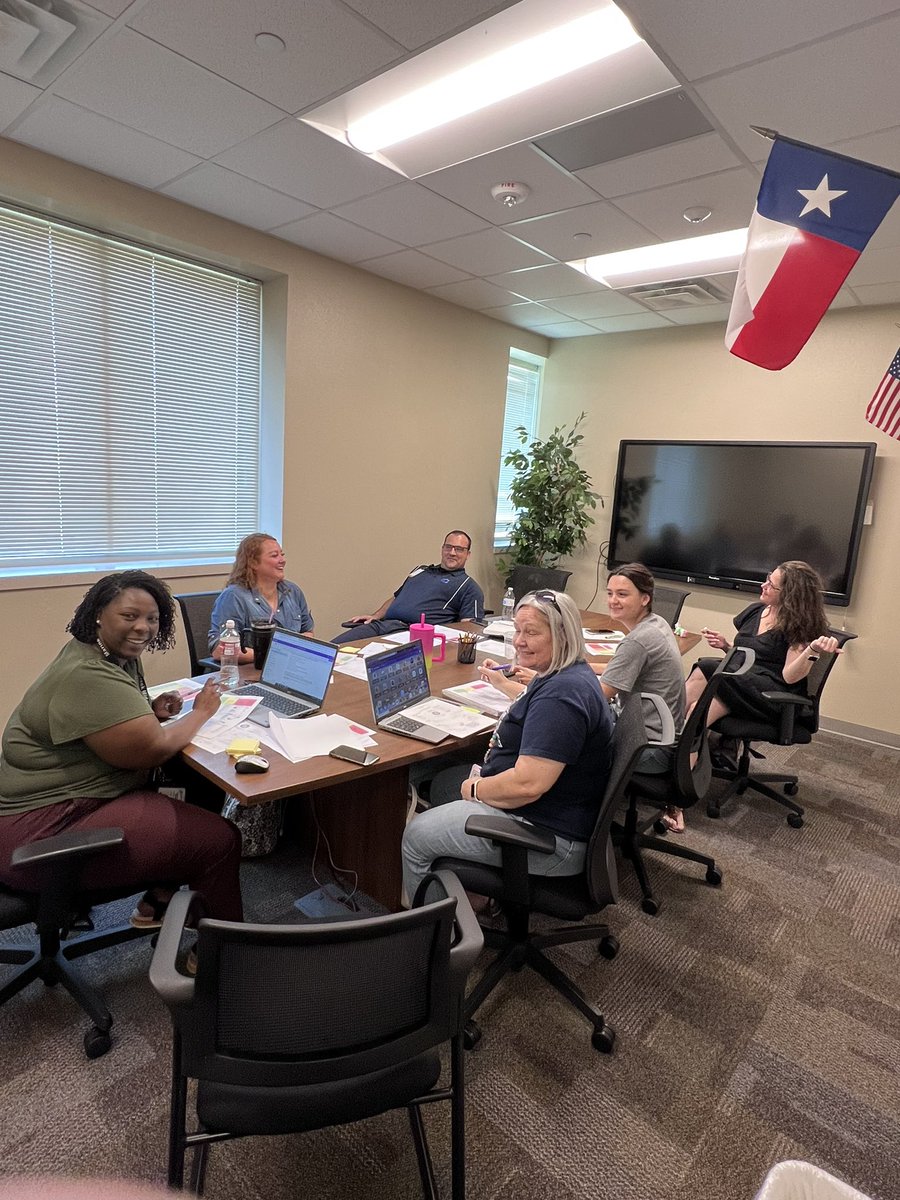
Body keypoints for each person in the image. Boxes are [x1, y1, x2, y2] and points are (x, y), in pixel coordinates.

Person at [0, 570, 243, 924]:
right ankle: (222, 958)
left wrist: (149, 710)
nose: (142, 627)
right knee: (220, 840)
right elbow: (154, 750)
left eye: (152, 619)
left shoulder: (102, 652)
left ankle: (158, 901)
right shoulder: (89, 674)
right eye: (129, 616)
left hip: (57, 803)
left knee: (195, 787)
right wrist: (202, 712)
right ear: (98, 614)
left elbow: (101, 716)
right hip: (40, 839)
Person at [401, 590, 613, 901]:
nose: (518, 641)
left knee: (416, 836)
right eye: (517, 630)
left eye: (531, 632)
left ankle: (436, 942)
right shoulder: (565, 673)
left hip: (547, 837)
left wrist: (475, 790)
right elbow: (536, 711)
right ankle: (473, 898)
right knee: (442, 780)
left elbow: (528, 785)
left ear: (563, 635)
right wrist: (501, 683)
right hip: (552, 815)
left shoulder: (562, 697)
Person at [684, 560, 840, 745]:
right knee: (696, 711)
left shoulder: (798, 625)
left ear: (789, 595)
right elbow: (755, 654)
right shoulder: (755, 611)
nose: (763, 586)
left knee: (708, 667)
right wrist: (726, 646)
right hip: (742, 684)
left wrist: (811, 651)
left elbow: (789, 677)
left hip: (769, 695)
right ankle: (681, 754)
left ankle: (673, 751)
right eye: (767, 579)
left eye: (771, 585)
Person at [596, 563, 687, 830]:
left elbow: (600, 695)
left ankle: (584, 826)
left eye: (622, 594)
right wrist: (577, 665)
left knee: (572, 737)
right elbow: (620, 670)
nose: (613, 600)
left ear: (644, 598)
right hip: (666, 737)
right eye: (610, 593)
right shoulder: (657, 624)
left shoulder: (637, 641)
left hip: (647, 747)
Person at [332, 530, 484, 643]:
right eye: (448, 547)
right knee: (332, 649)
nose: (452, 552)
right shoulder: (421, 571)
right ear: (442, 549)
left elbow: (469, 630)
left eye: (459, 549)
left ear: (468, 554)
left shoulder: (469, 587)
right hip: (383, 626)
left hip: (412, 636)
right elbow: (397, 597)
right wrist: (375, 616)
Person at [209, 533, 313, 662]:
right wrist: (274, 655)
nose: (282, 560)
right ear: (253, 563)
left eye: (282, 554)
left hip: (288, 669)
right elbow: (220, 650)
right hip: (247, 672)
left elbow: (307, 632)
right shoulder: (234, 596)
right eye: (274, 556)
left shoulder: (292, 591)